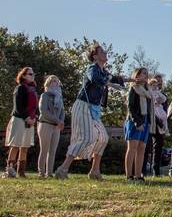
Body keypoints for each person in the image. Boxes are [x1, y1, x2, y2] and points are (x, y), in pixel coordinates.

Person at [54, 43, 130, 180]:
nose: (105, 53)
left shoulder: (103, 71)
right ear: (95, 56)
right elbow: (95, 79)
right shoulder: (92, 68)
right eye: (102, 51)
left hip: (94, 108)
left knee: (103, 138)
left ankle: (95, 171)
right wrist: (110, 84)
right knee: (86, 138)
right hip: (83, 105)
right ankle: (62, 169)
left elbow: (116, 78)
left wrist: (133, 80)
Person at [2, 67, 39, 178]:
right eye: (30, 74)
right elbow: (18, 107)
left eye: (33, 74)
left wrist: (35, 117)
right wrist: (27, 118)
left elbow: (36, 107)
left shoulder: (33, 90)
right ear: (23, 75)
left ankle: (21, 172)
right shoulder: (20, 88)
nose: (32, 76)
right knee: (15, 145)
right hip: (19, 120)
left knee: (25, 146)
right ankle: (10, 170)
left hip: (30, 121)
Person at [124, 67, 152, 182]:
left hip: (145, 121)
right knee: (132, 148)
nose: (145, 75)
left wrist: (148, 122)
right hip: (134, 120)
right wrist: (137, 122)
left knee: (142, 148)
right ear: (137, 75)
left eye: (146, 74)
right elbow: (130, 107)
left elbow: (149, 109)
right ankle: (129, 175)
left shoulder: (147, 91)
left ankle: (138, 175)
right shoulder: (133, 89)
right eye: (143, 73)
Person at [36, 75, 65, 178]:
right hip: (45, 124)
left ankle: (49, 173)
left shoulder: (59, 96)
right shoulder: (45, 95)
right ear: (48, 83)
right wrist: (57, 120)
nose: (55, 83)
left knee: (52, 151)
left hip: (56, 127)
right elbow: (44, 112)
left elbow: (62, 111)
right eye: (53, 81)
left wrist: (61, 121)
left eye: (57, 81)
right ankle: (41, 173)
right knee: (44, 150)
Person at [144, 75, 169, 177]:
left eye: (160, 82)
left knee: (158, 147)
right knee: (146, 146)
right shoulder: (148, 93)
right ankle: (143, 170)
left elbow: (165, 108)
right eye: (156, 82)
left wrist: (163, 121)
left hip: (161, 122)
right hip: (151, 121)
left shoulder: (162, 95)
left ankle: (156, 171)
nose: (158, 84)